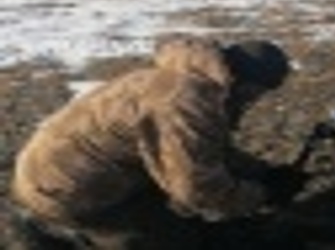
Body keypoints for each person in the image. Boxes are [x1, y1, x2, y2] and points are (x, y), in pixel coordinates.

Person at [9, 34, 308, 249]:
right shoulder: (186, 104)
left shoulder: (185, 78)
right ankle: (56, 232)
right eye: (257, 94)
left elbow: (203, 150)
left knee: (179, 220)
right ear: (246, 84)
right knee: (180, 242)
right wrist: (261, 195)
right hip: (67, 193)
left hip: (54, 172)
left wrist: (262, 172)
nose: (253, 103)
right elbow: (196, 190)